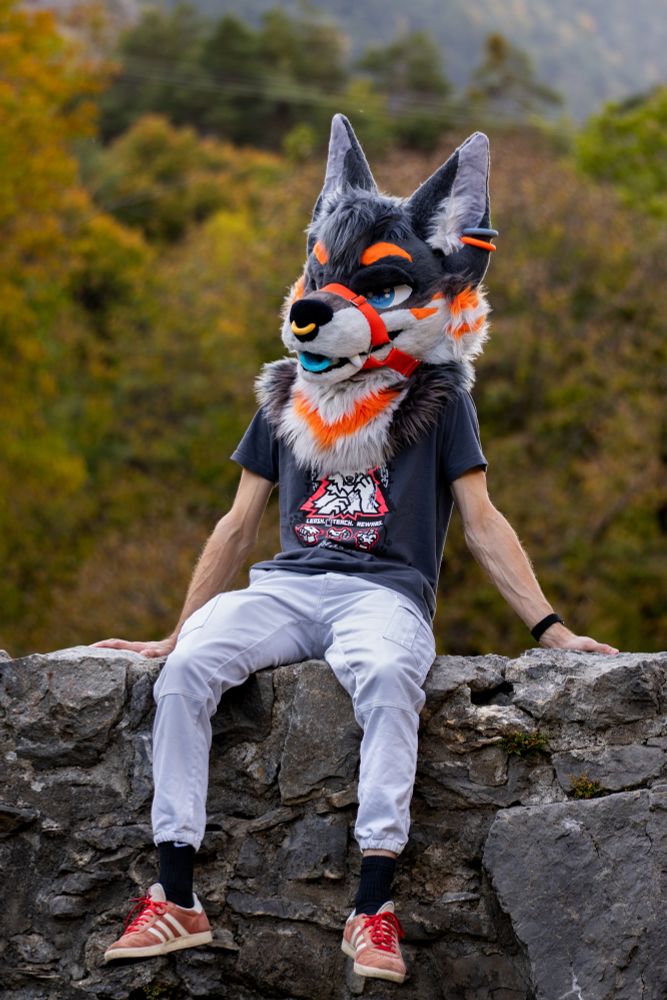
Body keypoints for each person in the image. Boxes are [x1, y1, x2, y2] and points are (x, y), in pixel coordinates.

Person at [97, 116, 617, 983]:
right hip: (286, 587)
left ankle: (371, 905)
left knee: (385, 678)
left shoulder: (440, 401)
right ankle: (174, 896)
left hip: (383, 593)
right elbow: (237, 524)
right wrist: (173, 632)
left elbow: (482, 522)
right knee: (185, 674)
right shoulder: (285, 401)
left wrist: (551, 630)